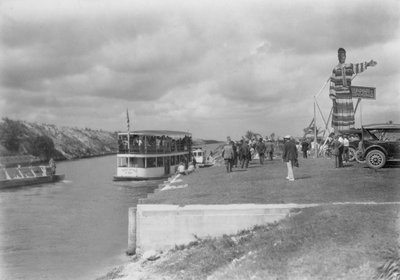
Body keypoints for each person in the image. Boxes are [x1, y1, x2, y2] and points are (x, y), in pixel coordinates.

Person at [329, 48, 377, 132]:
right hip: (339, 97)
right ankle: (339, 134)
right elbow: (332, 83)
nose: (342, 57)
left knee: (348, 116)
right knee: (339, 117)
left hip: (347, 95)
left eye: (343, 55)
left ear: (345, 56)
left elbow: (357, 67)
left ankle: (348, 133)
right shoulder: (335, 69)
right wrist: (333, 98)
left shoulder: (349, 67)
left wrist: (368, 64)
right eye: (340, 55)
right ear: (338, 56)